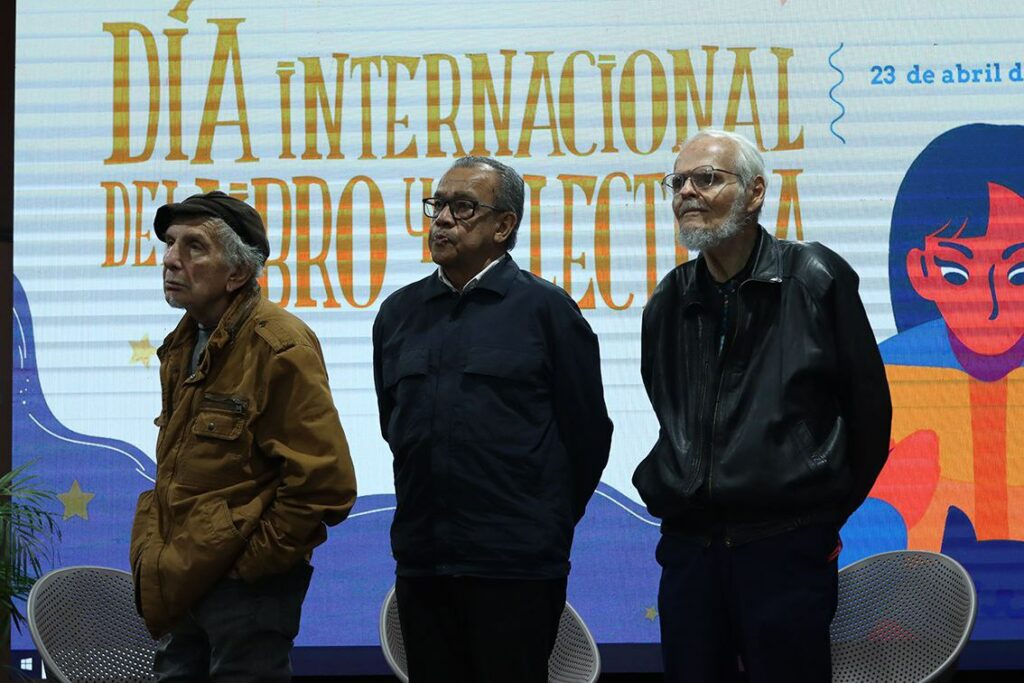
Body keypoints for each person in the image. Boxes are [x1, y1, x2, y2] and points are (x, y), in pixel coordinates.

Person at [632, 130, 892, 682]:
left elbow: (870, 413)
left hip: (785, 546)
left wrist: (821, 517)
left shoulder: (814, 277)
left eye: (706, 178)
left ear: (754, 193)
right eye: (678, 182)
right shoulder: (668, 299)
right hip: (689, 550)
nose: (687, 193)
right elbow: (668, 410)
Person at [372, 156, 613, 683]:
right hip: (423, 563)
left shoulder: (547, 311)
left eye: (463, 208)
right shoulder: (397, 314)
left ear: (504, 226)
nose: (442, 220)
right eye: (437, 205)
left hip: (516, 568)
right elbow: (397, 428)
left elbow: (588, 435)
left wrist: (540, 522)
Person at [129, 191, 357, 682]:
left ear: (236, 273)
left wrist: (248, 567)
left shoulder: (280, 344)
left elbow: (325, 487)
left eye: (194, 247)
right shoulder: (183, 340)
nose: (170, 259)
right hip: (183, 575)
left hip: (244, 592)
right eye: (170, 244)